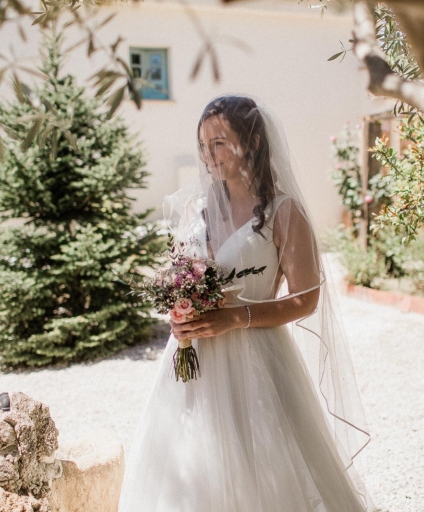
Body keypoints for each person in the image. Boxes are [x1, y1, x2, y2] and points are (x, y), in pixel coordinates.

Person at [118, 94, 375, 511]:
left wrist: (237, 317)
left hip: (259, 357)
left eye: (219, 142)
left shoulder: (284, 213)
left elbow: (306, 300)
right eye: (203, 145)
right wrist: (180, 309)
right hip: (191, 361)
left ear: (252, 142)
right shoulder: (194, 210)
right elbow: (183, 274)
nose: (208, 155)